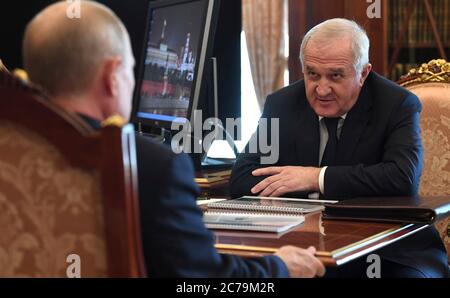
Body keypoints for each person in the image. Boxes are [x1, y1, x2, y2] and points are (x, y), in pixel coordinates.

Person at [22, 1, 325, 278]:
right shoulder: (151, 166)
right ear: (111, 76)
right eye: (131, 68)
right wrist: (280, 268)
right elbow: (203, 282)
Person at [230, 18, 449, 278]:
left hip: (389, 251)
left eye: (335, 75)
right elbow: (242, 178)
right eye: (312, 74)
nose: (321, 89)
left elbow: (402, 177)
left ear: (363, 73)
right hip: (304, 246)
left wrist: (314, 178)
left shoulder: (396, 104)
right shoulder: (283, 105)